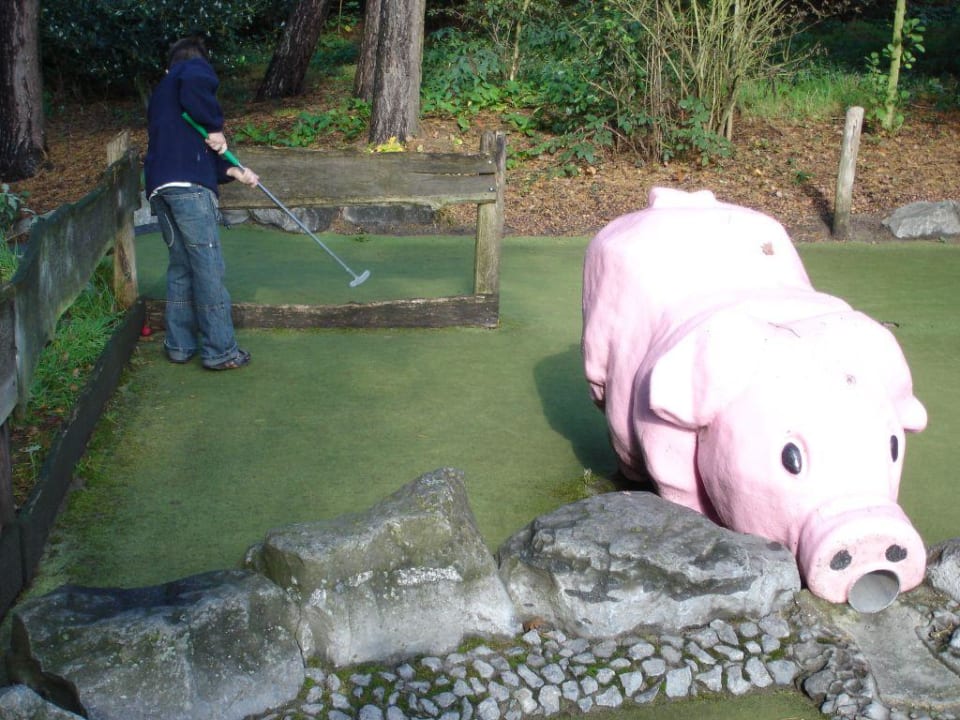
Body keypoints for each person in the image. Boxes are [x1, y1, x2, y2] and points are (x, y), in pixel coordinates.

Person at [144, 36, 259, 370]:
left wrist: (236, 171)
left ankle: (179, 345)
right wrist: (215, 126)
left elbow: (195, 152)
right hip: (189, 192)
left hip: (162, 188)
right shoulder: (190, 70)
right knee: (208, 269)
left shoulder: (163, 97)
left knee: (182, 266)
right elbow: (197, 80)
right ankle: (220, 350)